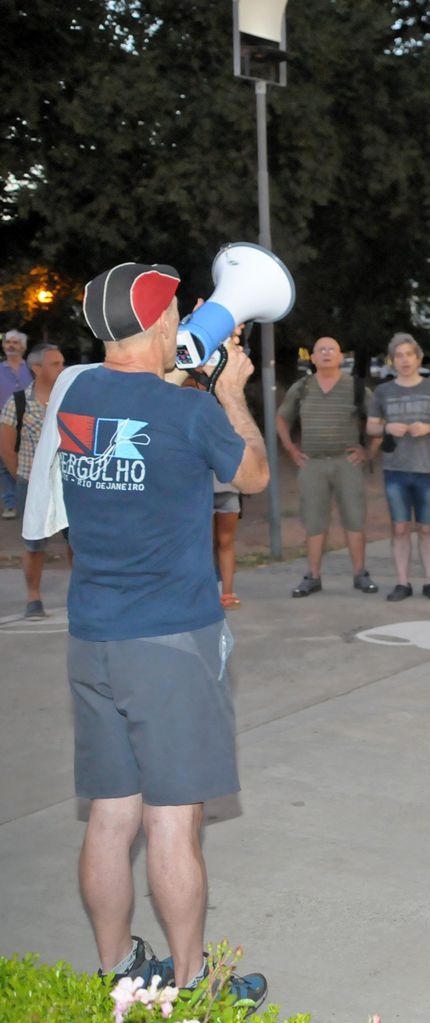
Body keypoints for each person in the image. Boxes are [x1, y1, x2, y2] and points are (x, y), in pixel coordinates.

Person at [38, 262, 271, 1005]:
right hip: (169, 640)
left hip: (93, 637)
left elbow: (139, 409)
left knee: (112, 814)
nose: (180, 318)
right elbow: (256, 475)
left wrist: (187, 376)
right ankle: (194, 986)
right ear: (159, 322)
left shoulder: (78, 392)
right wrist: (231, 391)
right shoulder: (193, 412)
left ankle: (114, 973)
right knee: (174, 823)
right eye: (173, 309)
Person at [275, 336, 380, 598]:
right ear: (311, 357)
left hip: (347, 463)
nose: (325, 353)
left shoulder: (355, 387)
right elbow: (281, 419)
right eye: (320, 349)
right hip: (313, 463)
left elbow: (378, 420)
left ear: (340, 356)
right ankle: (313, 576)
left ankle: (360, 574)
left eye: (331, 349)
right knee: (313, 521)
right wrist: (291, 449)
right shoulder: (302, 387)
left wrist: (368, 451)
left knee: (354, 519)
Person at [366, 333, 430, 602]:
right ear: (392, 361)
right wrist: (386, 427)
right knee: (400, 528)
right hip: (395, 469)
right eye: (399, 356)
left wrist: (427, 427)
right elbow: (370, 426)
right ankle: (402, 582)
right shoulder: (383, 391)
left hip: (426, 468)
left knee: (427, 528)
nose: (404, 360)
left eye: (409, 355)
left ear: (418, 358)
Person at [1, 343, 67, 618]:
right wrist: (23, 478)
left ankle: (78, 595)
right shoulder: (18, 401)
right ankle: (33, 598)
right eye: (55, 364)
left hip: (67, 482)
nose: (62, 368)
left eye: (62, 363)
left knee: (77, 541)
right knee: (34, 543)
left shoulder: (70, 398)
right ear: (36, 368)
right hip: (32, 483)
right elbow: (6, 447)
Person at [0, 328, 32, 518]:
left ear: (23, 347)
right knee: (5, 463)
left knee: (28, 461)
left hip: (29, 423)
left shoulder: (32, 369)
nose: (11, 345)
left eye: (15, 342)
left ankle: (29, 501)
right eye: (8, 342)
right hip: (4, 424)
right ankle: (10, 504)